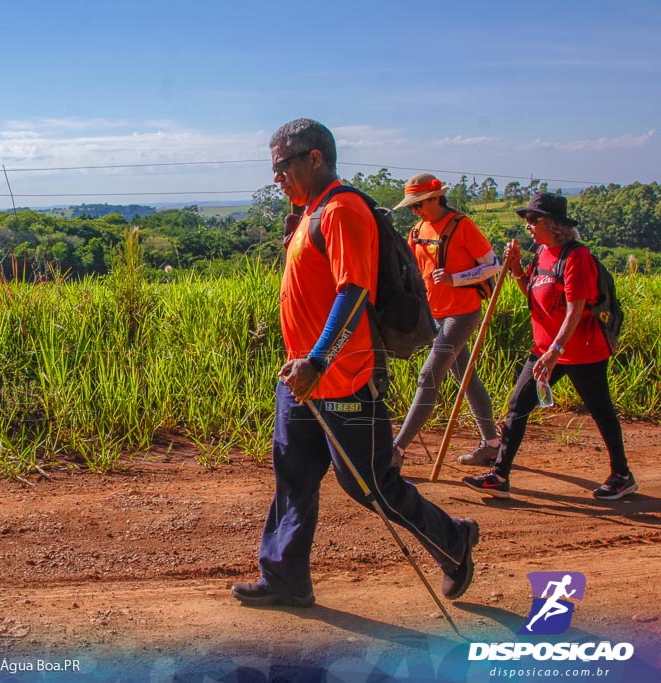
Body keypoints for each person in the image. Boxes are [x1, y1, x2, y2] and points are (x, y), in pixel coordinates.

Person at [231, 118, 478, 608]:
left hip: (343, 378)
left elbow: (354, 290)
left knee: (370, 485)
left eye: (282, 166)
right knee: (294, 478)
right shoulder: (310, 212)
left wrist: (320, 360)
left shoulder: (342, 210)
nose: (276, 178)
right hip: (302, 380)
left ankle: (454, 541)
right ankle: (285, 578)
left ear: (315, 158)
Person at [462, 192, 637, 500]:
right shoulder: (543, 252)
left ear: (555, 225)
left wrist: (556, 350)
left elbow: (576, 308)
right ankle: (500, 475)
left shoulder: (577, 257)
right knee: (518, 405)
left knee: (600, 410)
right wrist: (516, 269)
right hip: (546, 350)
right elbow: (533, 294)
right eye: (527, 220)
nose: (528, 226)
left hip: (581, 351)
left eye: (533, 219)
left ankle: (621, 474)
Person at [391, 174, 503, 468]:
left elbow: (493, 265)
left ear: (435, 198)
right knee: (465, 378)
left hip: (462, 312)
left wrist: (456, 279)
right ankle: (492, 444)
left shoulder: (462, 226)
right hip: (433, 314)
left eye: (419, 205)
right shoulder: (417, 231)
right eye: (412, 208)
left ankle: (397, 450)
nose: (415, 212)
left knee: (428, 376)